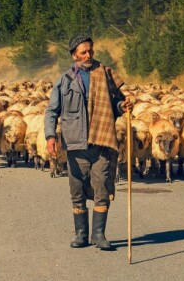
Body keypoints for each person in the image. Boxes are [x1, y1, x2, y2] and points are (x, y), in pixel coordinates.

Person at [45, 34, 132, 250]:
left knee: (102, 187)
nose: (88, 55)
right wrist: (50, 136)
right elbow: (52, 111)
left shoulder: (104, 74)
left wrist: (122, 106)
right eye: (83, 52)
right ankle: (81, 234)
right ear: (74, 55)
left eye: (90, 51)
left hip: (101, 141)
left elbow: (117, 102)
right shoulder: (65, 81)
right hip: (75, 143)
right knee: (77, 189)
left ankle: (99, 234)